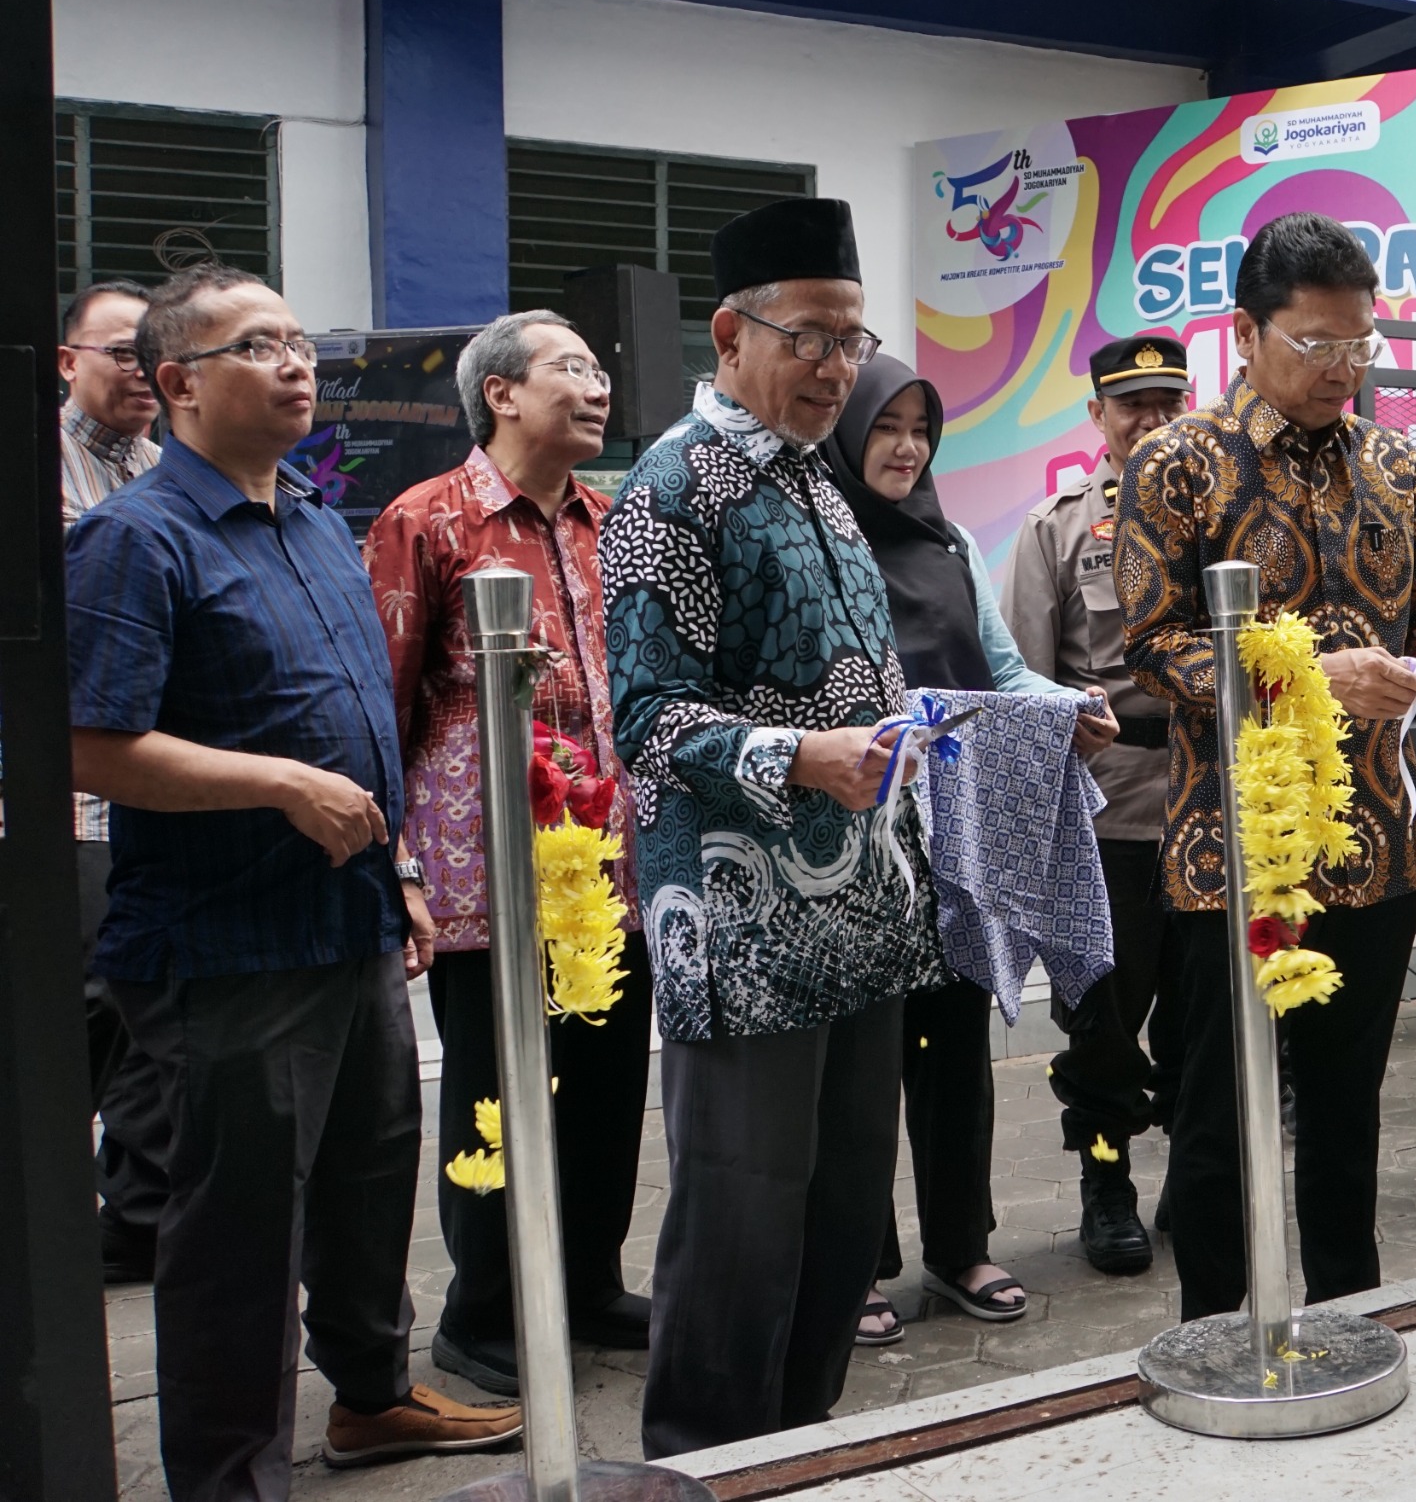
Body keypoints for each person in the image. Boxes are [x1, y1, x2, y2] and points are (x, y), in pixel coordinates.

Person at [66, 262, 522, 1502]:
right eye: (255, 344)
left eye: (297, 339)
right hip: (228, 945)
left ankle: (370, 1399)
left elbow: (359, 726)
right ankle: (228, 1474)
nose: (295, 360)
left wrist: (406, 869)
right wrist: (275, 785)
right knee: (240, 1236)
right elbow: (90, 742)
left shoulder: (316, 523)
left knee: (374, 1175)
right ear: (177, 384)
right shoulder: (133, 537)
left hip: (353, 918)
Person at [1116, 211, 1416, 1318]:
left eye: (1359, 346)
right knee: (1220, 1117)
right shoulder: (1177, 462)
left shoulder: (1393, 459)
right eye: (1317, 346)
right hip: (1237, 857)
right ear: (1247, 333)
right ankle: (1220, 1330)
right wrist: (1316, 674)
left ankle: (1350, 1315)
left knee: (1345, 1108)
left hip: (1377, 842)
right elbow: (1154, 651)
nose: (1340, 370)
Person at [603, 197, 942, 1455]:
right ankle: (700, 1461)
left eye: (851, 341)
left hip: (861, 907)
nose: (836, 368)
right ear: (730, 335)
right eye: (811, 338)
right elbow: (644, 716)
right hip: (741, 927)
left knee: (845, 1218)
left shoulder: (821, 481)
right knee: (741, 1221)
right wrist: (799, 753)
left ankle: (800, 1452)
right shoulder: (673, 487)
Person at [362, 310, 655, 1397]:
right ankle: (480, 1309)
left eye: (598, 368)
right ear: (500, 393)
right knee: (495, 1088)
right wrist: (394, 862)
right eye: (571, 368)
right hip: (486, 870)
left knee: (610, 1078)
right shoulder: (426, 520)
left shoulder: (609, 519)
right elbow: (379, 703)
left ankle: (587, 1280)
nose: (597, 385)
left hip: (607, 865)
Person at [816, 355, 1112, 1337]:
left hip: (952, 838)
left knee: (952, 1051)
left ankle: (957, 1247)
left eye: (919, 428)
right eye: (885, 427)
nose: (905, 447)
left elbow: (1004, 671)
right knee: (859, 1066)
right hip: (851, 837)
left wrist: (1072, 706)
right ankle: (852, 1262)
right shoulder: (818, 535)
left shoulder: (947, 540)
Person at [1003, 334, 1191, 1276]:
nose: (1154, 421)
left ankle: (1195, 1185)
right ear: (1098, 418)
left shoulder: (1225, 518)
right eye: (1133, 407)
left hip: (1215, 807)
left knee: (1209, 1013)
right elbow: (1026, 684)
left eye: (1169, 402)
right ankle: (1106, 1183)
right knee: (1105, 1021)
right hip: (1109, 812)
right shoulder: (1058, 530)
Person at [56, 276, 172, 1283]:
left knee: (148, 1005)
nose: (139, 369)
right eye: (118, 352)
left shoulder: (160, 464)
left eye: (151, 352)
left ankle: (132, 1211)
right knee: (97, 1000)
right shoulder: (39, 467)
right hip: (70, 789)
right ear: (66, 361)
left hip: (152, 790)